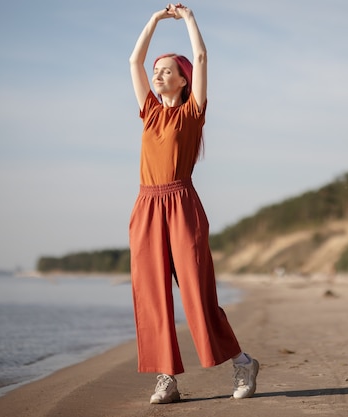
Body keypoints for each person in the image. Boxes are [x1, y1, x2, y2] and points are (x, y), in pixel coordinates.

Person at [128, 3, 259, 404]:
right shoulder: (149, 112)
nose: (158, 73)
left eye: (167, 70)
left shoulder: (192, 113)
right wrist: (152, 20)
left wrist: (187, 19)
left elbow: (201, 56)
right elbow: (134, 59)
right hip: (147, 207)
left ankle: (242, 362)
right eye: (157, 71)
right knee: (152, 295)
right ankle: (166, 378)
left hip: (182, 205)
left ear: (184, 80)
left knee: (197, 295)